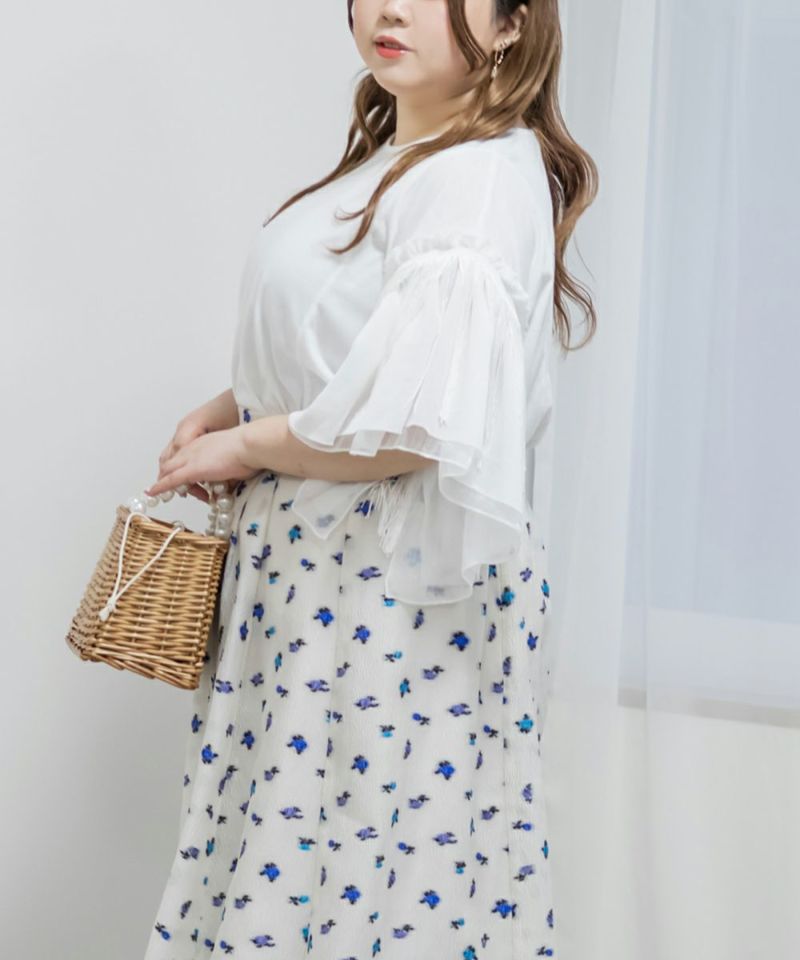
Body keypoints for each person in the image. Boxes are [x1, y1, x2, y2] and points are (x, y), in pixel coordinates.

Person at [142, 0, 597, 956]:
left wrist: (249, 447)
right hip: (323, 582)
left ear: (512, 24)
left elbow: (421, 425)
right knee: (307, 873)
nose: (391, 8)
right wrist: (238, 403)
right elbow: (371, 344)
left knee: (358, 884)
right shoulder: (409, 158)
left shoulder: (474, 180)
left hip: (383, 594)